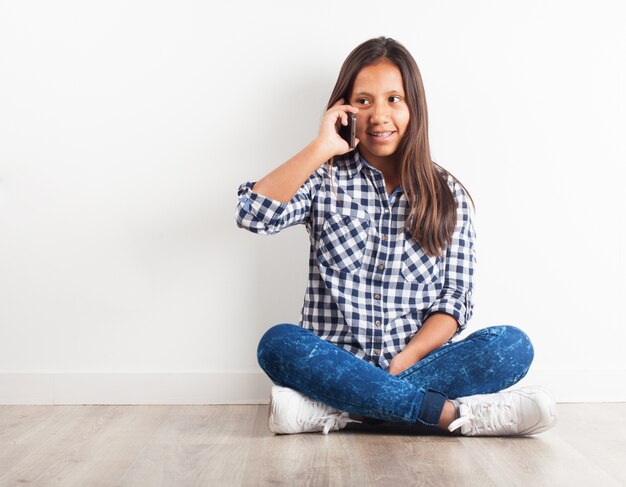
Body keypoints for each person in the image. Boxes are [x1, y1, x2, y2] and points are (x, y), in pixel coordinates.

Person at [235, 36, 557, 436]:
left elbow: (455, 301)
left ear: (413, 108)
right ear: (344, 109)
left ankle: (339, 412)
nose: (379, 116)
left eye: (394, 99)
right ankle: (454, 416)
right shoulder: (323, 178)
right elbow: (253, 215)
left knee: (511, 346)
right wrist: (321, 146)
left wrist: (409, 357)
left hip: (416, 363)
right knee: (278, 344)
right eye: (364, 101)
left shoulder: (447, 194)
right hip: (334, 364)